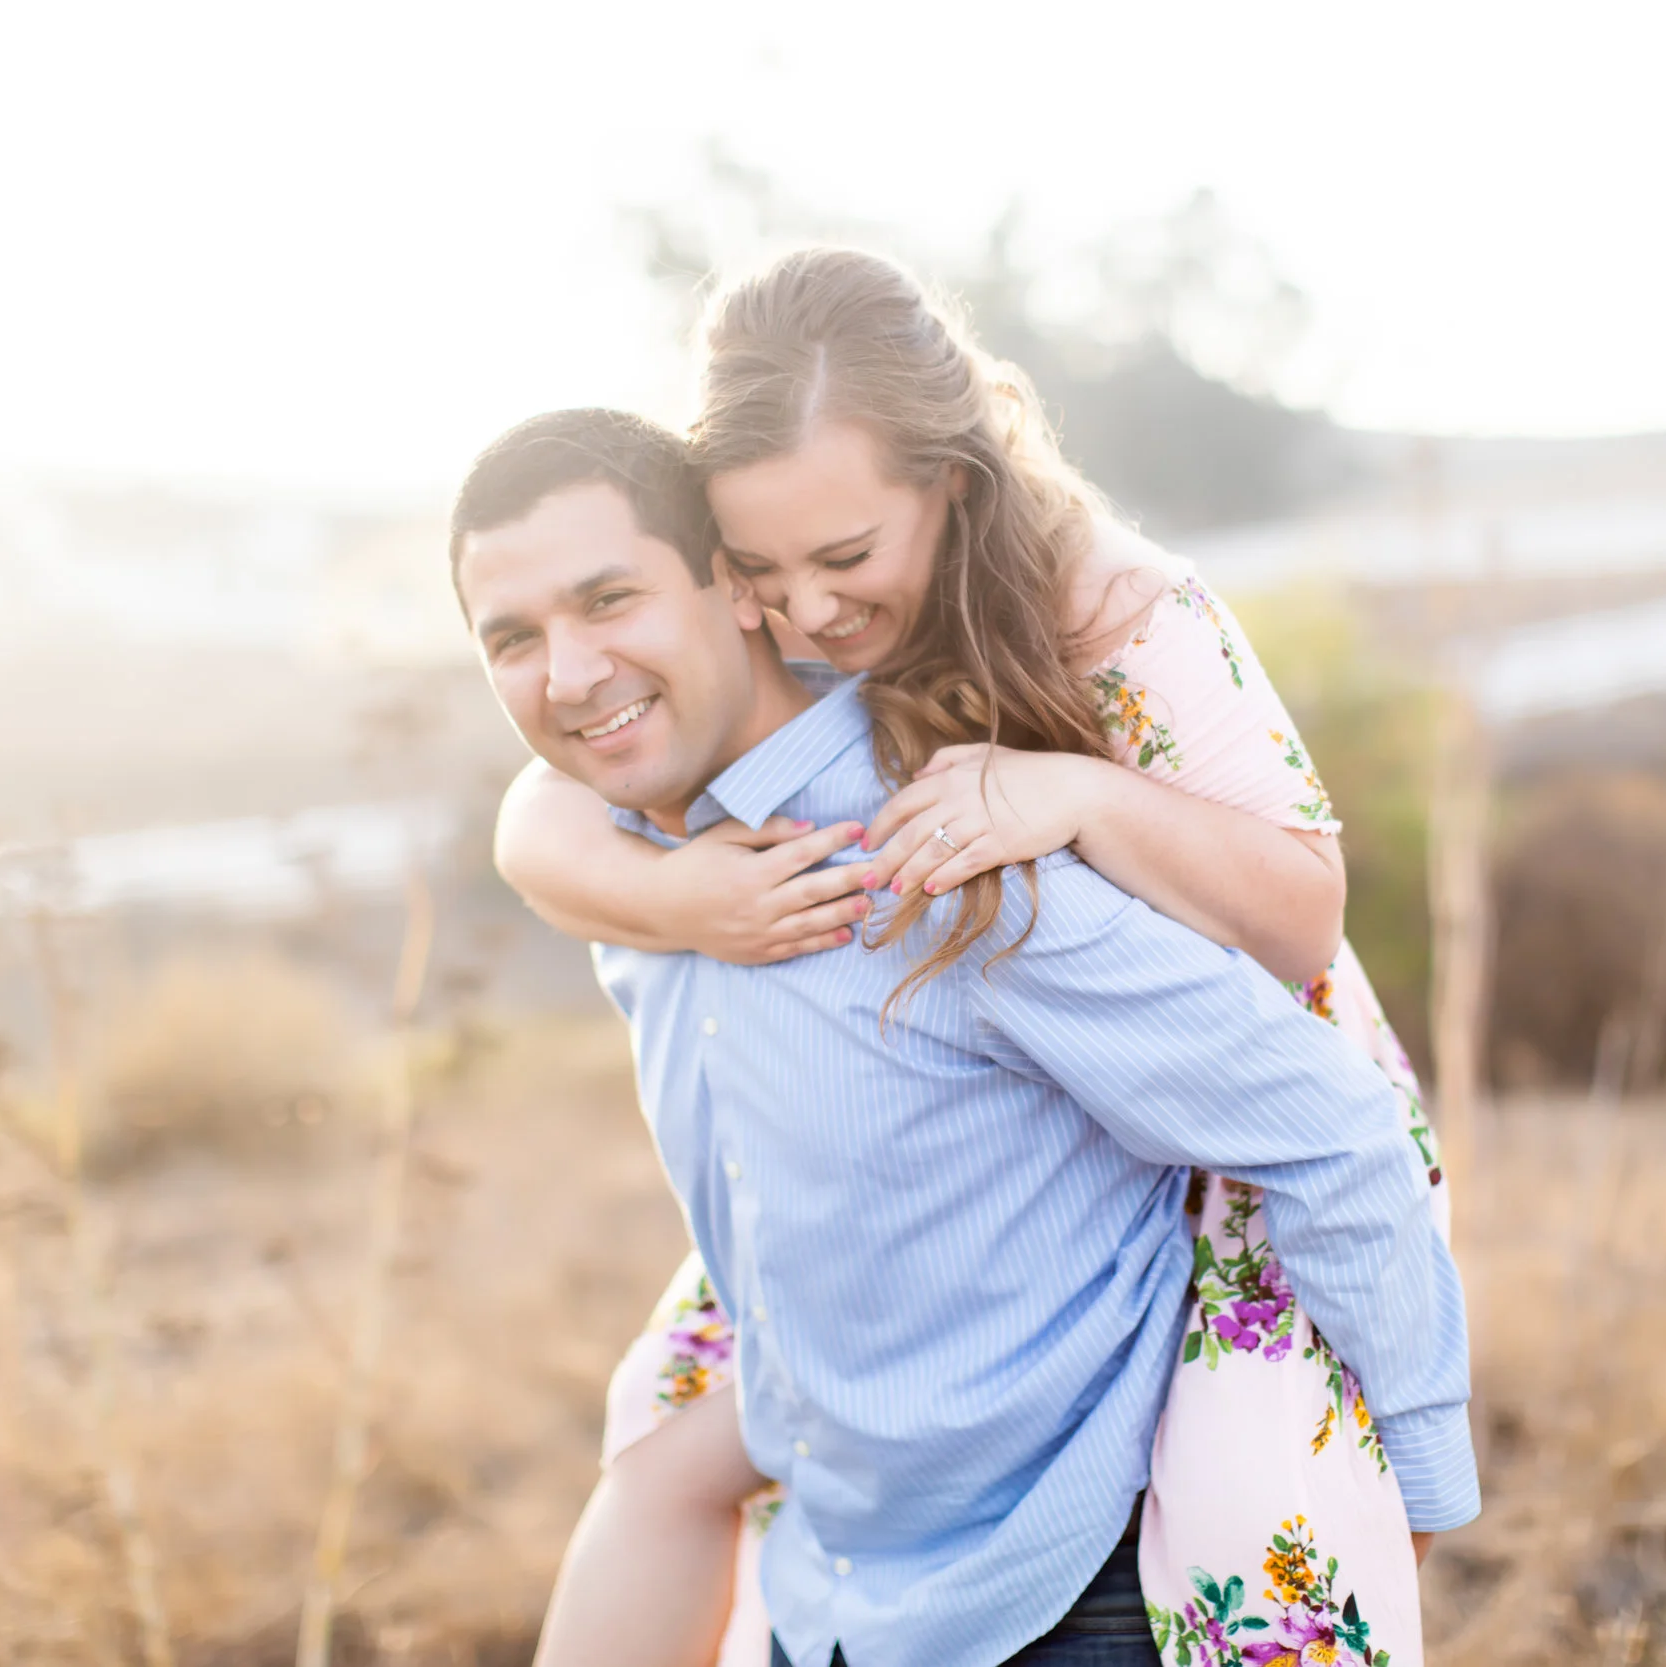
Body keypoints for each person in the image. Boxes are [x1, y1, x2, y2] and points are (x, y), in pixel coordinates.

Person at [498, 250, 1454, 1667]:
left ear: (952, 481)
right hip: (950, 1096)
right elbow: (547, 795)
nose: (809, 612)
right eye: (758, 571)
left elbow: (1302, 917)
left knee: (1255, 1511)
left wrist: (1083, 798)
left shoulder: (1114, 604)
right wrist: (674, 901)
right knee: (676, 1429)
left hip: (1218, 1077)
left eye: (844, 560)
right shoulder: (775, 639)